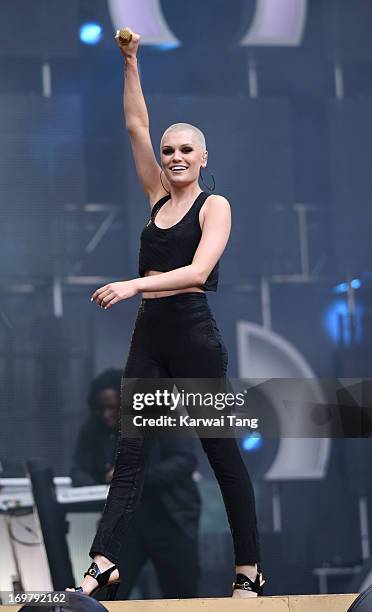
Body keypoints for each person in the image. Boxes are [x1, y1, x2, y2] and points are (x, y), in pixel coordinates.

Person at [66, 27, 265, 599]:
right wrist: (129, 61)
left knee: (220, 452)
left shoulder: (214, 205)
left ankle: (248, 568)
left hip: (193, 334)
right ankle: (104, 558)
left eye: (186, 150)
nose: (174, 156)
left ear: (203, 158)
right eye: (169, 150)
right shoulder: (157, 198)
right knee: (130, 448)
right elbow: (136, 125)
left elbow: (199, 273)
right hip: (150, 335)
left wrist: (133, 284)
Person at [69, 369, 201, 599]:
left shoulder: (162, 416)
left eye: (113, 408)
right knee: (109, 595)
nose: (107, 415)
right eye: (102, 409)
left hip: (169, 519)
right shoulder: (94, 428)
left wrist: (131, 475)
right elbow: (78, 470)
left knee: (181, 592)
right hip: (125, 525)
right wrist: (100, 485)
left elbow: (184, 461)